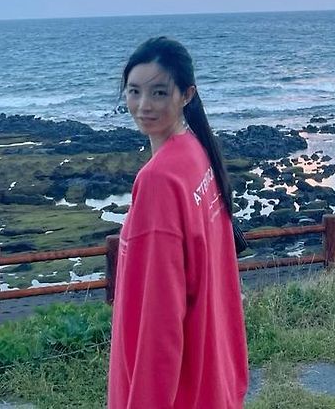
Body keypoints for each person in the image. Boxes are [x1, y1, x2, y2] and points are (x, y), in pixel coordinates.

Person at [107, 36, 250, 409]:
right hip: (214, 374)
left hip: (184, 391)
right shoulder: (196, 153)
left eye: (158, 93)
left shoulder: (160, 181)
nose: (143, 105)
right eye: (134, 92)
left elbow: (160, 318)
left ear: (186, 95)